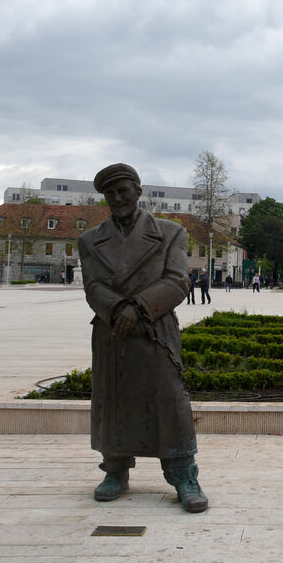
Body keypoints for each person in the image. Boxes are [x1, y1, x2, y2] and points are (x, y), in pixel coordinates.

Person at [78, 163, 207, 513]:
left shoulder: (170, 233)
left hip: (154, 328)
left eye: (123, 190)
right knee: (113, 397)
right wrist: (118, 309)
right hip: (112, 330)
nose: (117, 198)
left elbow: (178, 280)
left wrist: (139, 307)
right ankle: (115, 469)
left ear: (138, 190)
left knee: (170, 399)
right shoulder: (89, 240)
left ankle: (184, 474)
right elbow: (92, 286)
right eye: (110, 193)